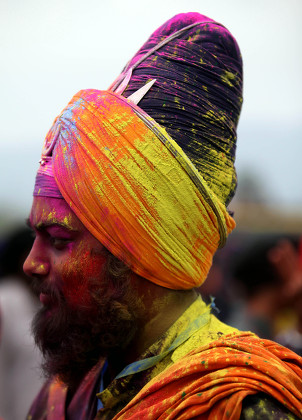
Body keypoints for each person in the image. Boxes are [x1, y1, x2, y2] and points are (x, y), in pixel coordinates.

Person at [23, 12, 302, 420]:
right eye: (36, 236)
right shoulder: (65, 397)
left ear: (140, 250)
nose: (31, 263)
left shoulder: (237, 405)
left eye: (59, 240)